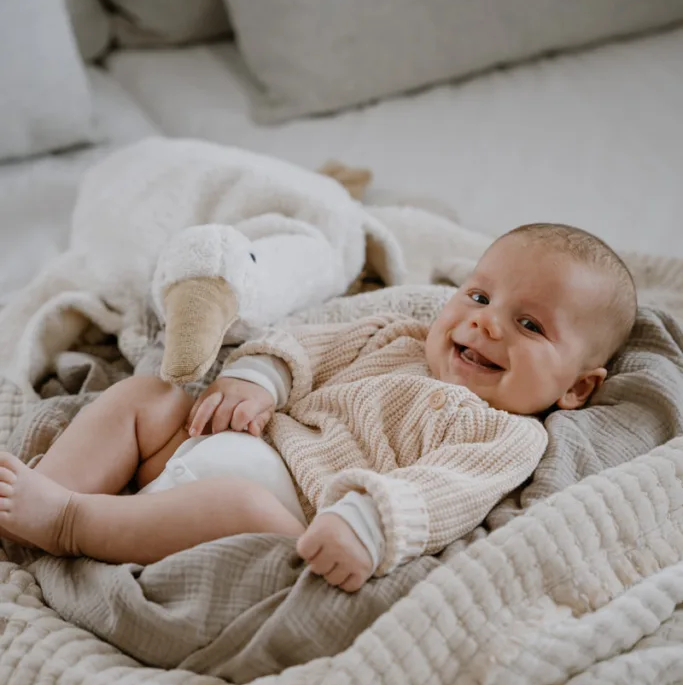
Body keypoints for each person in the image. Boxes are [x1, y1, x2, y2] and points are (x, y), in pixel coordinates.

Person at [0, 223, 637, 592]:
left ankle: (68, 523)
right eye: (477, 295)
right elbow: (303, 349)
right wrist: (256, 382)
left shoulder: (507, 436)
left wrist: (364, 526)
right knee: (150, 396)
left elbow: (441, 491)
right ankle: (29, 508)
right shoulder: (395, 336)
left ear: (577, 388)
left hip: (284, 511)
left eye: (528, 324)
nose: (486, 325)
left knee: (237, 503)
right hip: (221, 442)